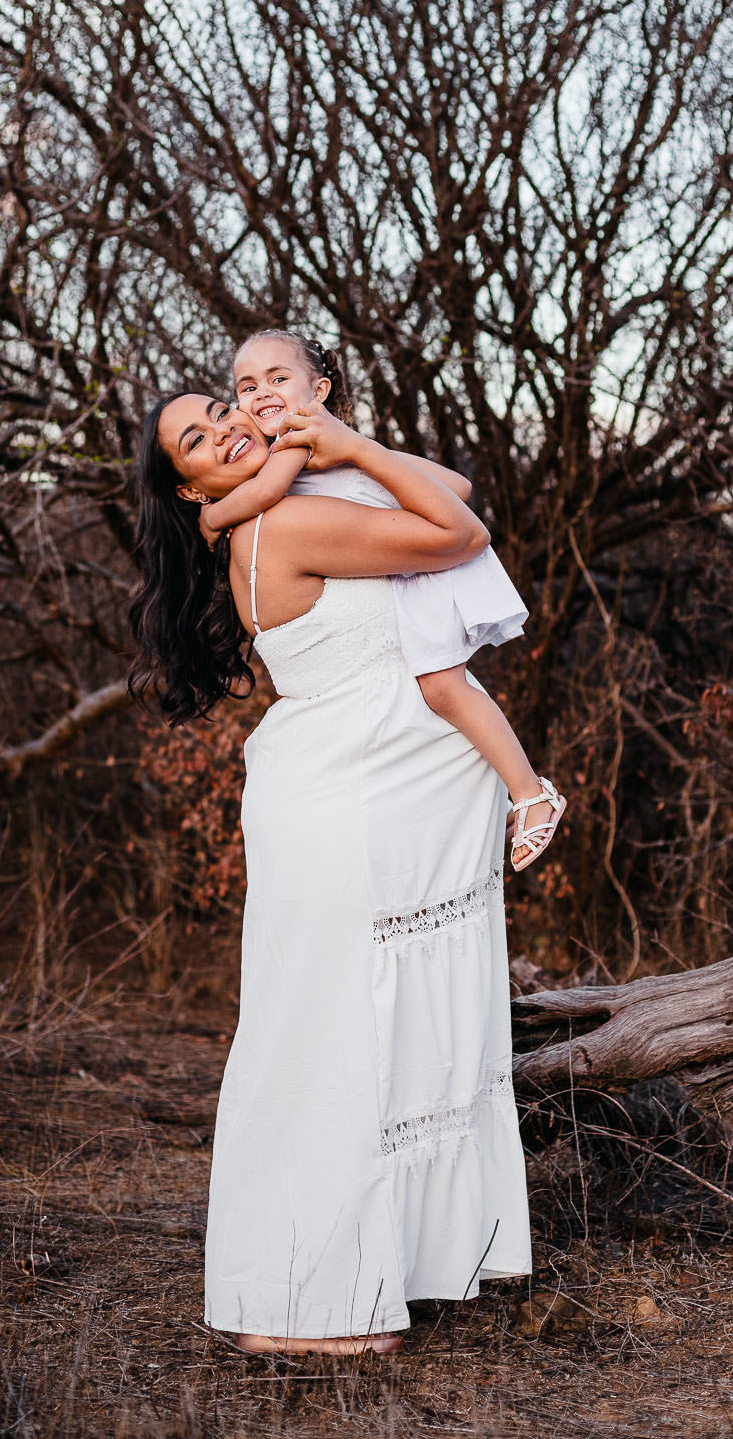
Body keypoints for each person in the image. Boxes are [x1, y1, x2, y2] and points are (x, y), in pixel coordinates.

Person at [130, 391, 533, 1354]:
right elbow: (457, 531)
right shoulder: (292, 519)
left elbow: (448, 494)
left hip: (336, 802)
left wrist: (345, 451)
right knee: (336, 1050)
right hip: (344, 817)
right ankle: (310, 1307)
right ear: (190, 487)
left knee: (341, 1041)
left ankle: (360, 1275)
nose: (228, 425)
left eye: (223, 407)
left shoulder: (271, 513)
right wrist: (350, 444)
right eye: (199, 438)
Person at [201, 328, 565, 869]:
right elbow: (460, 486)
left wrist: (212, 516)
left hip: (421, 568)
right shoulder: (311, 446)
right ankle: (524, 789)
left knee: (444, 688)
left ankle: (532, 793)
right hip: (402, 568)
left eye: (279, 378)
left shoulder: (300, 440)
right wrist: (354, 452)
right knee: (444, 689)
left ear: (318, 390)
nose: (261, 394)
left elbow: (266, 494)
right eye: (247, 386)